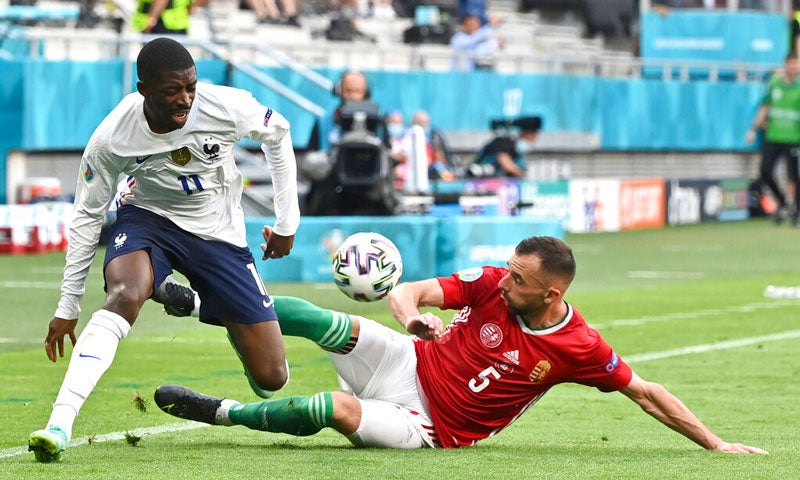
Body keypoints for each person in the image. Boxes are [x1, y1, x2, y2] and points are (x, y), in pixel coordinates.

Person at [153, 236, 767, 454]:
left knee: (329, 410)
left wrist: (713, 442)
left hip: (428, 423)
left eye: (519, 279)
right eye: (508, 269)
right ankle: (198, 304)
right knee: (318, 318)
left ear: (552, 294)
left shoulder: (578, 346)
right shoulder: (492, 284)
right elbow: (414, 290)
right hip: (410, 358)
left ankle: (218, 411)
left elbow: (646, 393)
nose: (505, 280)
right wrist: (413, 314)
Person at [26, 37, 301, 463]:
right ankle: (59, 424)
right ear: (144, 90)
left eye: (191, 86)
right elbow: (86, 215)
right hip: (148, 219)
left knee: (271, 379)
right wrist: (68, 304)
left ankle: (195, 304)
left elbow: (278, 135)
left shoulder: (226, 105)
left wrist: (287, 223)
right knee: (125, 294)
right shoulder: (112, 137)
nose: (186, 99)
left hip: (219, 231)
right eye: (173, 90)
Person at [746, 53, 800, 225]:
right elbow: (764, 107)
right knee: (765, 171)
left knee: (795, 177)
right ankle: (783, 203)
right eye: (792, 64)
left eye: (797, 65)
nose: (794, 68)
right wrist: (753, 129)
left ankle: (797, 212)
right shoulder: (774, 84)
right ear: (786, 65)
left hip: (793, 137)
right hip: (773, 136)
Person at [473, 116, 541, 178]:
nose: (533, 139)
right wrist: (524, 176)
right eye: (533, 135)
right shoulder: (502, 142)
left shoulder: (515, 150)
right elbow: (507, 164)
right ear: (525, 133)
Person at [132, 0, 208, 34]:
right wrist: (191, 7)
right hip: (179, 26)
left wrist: (151, 21)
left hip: (161, 25)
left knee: (158, 62)